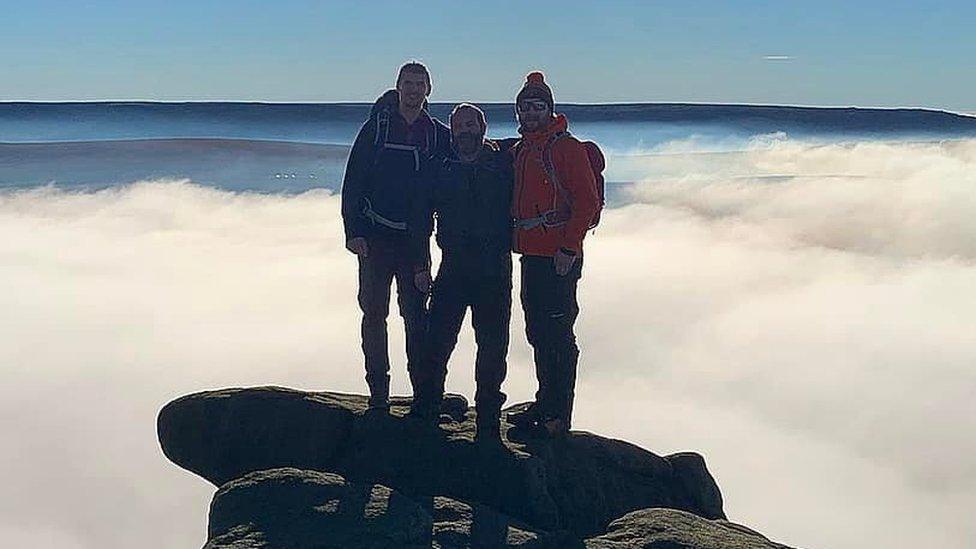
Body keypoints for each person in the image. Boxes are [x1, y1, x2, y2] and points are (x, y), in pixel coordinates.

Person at [341, 62, 451, 413]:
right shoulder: (376, 128)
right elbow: (353, 181)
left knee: (416, 317)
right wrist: (353, 231)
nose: (414, 90)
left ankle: (422, 395)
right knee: (374, 316)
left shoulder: (436, 134)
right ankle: (378, 394)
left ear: (429, 90)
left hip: (415, 243)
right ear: (398, 86)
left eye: (420, 84)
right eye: (409, 83)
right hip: (374, 239)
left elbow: (468, 158)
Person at [408, 104, 514, 442]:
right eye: (458, 126)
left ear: (483, 127)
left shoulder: (503, 164)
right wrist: (421, 264)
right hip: (452, 265)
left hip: (494, 267)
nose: (464, 131)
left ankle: (487, 419)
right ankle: (426, 410)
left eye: (471, 124)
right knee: (436, 343)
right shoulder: (442, 167)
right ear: (451, 131)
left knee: (493, 347)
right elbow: (421, 218)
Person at [506, 72, 600, 437]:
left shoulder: (566, 148)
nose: (531, 112)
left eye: (537, 106)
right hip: (532, 254)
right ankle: (546, 403)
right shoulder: (526, 148)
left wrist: (568, 247)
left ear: (549, 110)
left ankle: (558, 414)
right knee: (539, 333)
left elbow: (587, 202)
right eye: (525, 107)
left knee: (558, 335)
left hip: (558, 257)